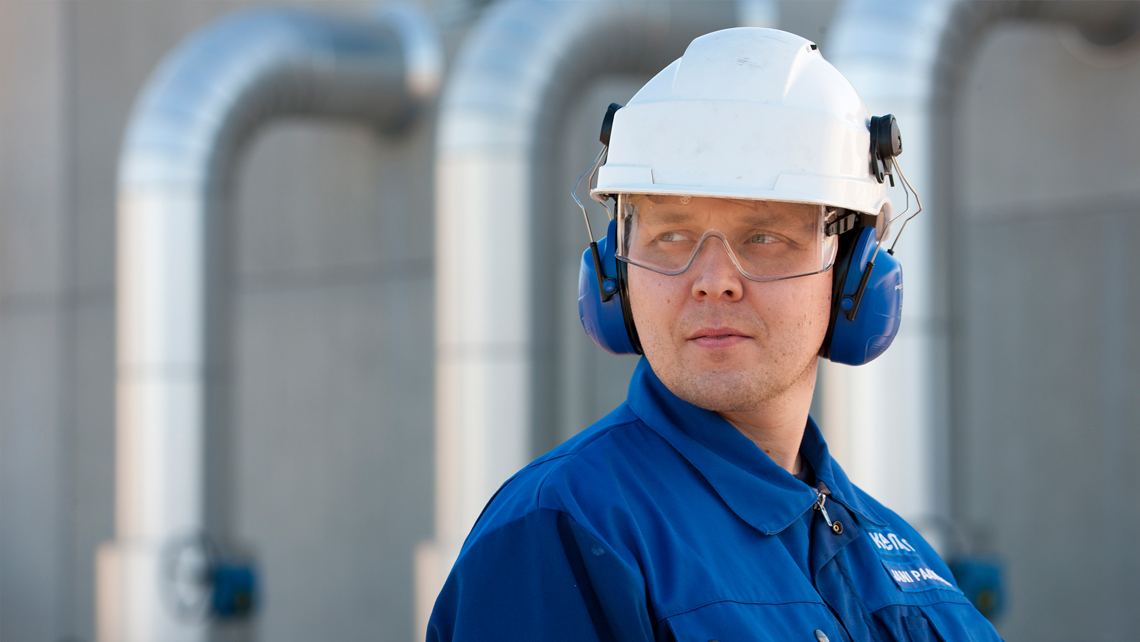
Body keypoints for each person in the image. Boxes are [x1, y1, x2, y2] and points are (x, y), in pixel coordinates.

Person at [427, 27, 1003, 642]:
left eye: (765, 237)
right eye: (671, 235)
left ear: (854, 274)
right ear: (613, 271)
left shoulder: (905, 569)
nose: (712, 282)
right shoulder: (567, 529)